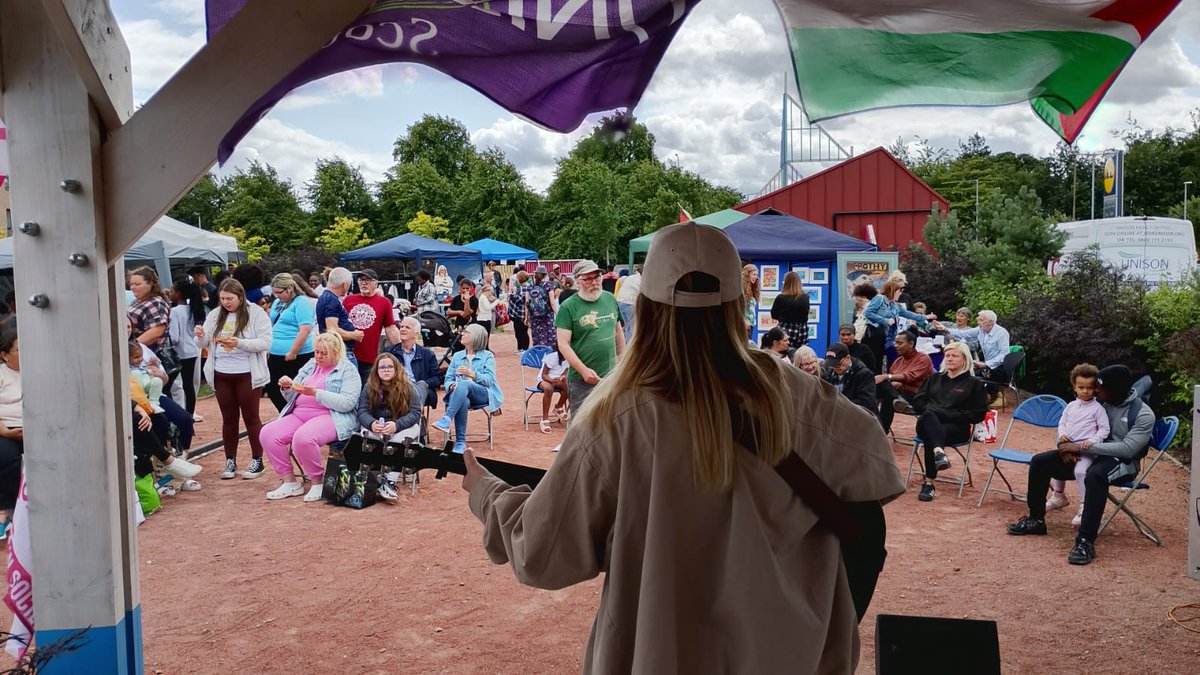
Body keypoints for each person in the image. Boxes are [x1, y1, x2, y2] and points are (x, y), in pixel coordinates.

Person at [460, 221, 905, 673]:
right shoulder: (800, 396)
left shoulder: (614, 417)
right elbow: (876, 475)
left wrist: (487, 492)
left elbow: (541, 553)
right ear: (738, 304)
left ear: (646, 308)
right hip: (789, 656)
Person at [1008, 365, 1151, 565]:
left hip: (1122, 462)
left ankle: (1085, 541)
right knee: (1040, 462)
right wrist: (1063, 447)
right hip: (1087, 452)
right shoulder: (1098, 401)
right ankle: (1036, 520)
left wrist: (1081, 448)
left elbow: (1128, 449)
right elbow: (1069, 424)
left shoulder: (1143, 414)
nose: (1094, 391)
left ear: (1116, 392)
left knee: (1095, 475)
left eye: (1100, 388)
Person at [260, 333, 361, 502]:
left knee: (303, 437)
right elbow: (293, 394)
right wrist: (287, 387)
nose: (319, 356)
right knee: (268, 433)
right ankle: (289, 481)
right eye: (317, 352)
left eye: (324, 353)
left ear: (336, 352)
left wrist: (316, 393)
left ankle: (317, 481)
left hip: (330, 415)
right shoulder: (311, 364)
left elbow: (348, 403)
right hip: (299, 413)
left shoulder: (348, 369)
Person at [195, 278, 273, 480]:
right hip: (222, 373)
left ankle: (257, 459)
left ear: (240, 296)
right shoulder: (215, 314)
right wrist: (200, 335)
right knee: (228, 418)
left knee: (251, 417)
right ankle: (230, 460)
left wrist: (239, 343)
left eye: (229, 298)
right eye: (222, 299)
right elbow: (203, 343)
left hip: (247, 373)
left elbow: (265, 342)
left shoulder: (256, 313)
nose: (226, 302)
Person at [894, 340, 988, 502]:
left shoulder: (974, 384)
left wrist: (946, 414)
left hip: (956, 428)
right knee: (928, 417)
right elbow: (918, 402)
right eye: (948, 355)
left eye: (955, 356)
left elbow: (978, 414)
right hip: (926, 422)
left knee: (931, 433)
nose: (950, 359)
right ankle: (939, 453)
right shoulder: (934, 378)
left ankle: (929, 483)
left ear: (965, 359)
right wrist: (935, 412)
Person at [555, 259, 625, 419]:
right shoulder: (568, 307)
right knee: (582, 426)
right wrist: (583, 371)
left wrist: (622, 362)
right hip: (581, 382)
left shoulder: (610, 299)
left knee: (612, 423)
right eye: (588, 279)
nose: (594, 282)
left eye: (597, 277)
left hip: (610, 377)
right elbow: (563, 344)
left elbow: (618, 331)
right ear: (578, 282)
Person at [1044, 364, 1110, 529]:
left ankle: (1084, 506)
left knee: (1080, 471)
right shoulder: (1071, 406)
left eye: (1089, 388)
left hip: (1086, 449)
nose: (1085, 391)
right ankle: (1058, 495)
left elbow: (1104, 429)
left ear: (1095, 388)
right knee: (1058, 463)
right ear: (1074, 387)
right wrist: (1063, 435)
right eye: (1081, 387)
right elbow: (1062, 423)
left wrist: (1093, 440)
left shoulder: (1098, 409)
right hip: (1068, 445)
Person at [357, 352, 424, 501]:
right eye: (382, 367)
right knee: (366, 437)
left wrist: (397, 425)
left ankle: (389, 481)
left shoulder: (408, 386)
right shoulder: (369, 387)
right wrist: (371, 423)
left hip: (403, 426)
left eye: (389, 367)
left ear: (396, 369)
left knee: (399, 441)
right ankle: (376, 479)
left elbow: (415, 412)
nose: (386, 370)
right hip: (377, 427)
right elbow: (362, 411)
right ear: (376, 370)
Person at [431, 324, 502, 454]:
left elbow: (489, 380)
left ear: (476, 337)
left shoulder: (487, 356)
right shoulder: (457, 356)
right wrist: (451, 386)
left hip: (482, 393)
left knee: (464, 384)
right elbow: (448, 379)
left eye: (466, 332)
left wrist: (472, 374)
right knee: (463, 400)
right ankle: (460, 443)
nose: (462, 334)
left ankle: (447, 418)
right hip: (460, 396)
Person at [265, 272, 317, 412]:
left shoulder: (302, 302)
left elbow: (305, 329)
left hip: (297, 355)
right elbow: (272, 324)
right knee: (272, 386)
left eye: (279, 292)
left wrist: (293, 351)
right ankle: (286, 412)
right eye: (274, 292)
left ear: (289, 289)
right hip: (276, 352)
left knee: (294, 387)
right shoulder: (278, 303)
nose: (276, 296)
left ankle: (295, 412)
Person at [938, 309, 1011, 399]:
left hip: (998, 368)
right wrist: (945, 329)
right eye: (978, 320)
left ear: (990, 322)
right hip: (986, 365)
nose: (978, 323)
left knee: (966, 372)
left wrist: (986, 364)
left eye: (981, 320)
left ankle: (992, 395)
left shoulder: (1002, 334)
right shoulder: (981, 329)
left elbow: (1004, 355)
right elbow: (964, 334)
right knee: (962, 369)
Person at [864, 279, 935, 371]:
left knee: (884, 361)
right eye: (899, 291)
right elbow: (868, 313)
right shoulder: (879, 298)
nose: (900, 294)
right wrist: (885, 320)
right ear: (892, 291)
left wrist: (926, 317)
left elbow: (909, 314)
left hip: (887, 337)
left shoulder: (895, 305)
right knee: (875, 362)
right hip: (874, 336)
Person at [344, 268, 401, 382]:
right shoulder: (348, 300)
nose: (364, 283)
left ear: (376, 283)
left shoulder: (384, 303)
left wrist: (400, 349)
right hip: (348, 355)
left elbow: (390, 328)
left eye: (367, 280)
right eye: (361, 280)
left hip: (368, 356)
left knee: (368, 388)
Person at [874, 331, 934, 435]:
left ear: (911, 344)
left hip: (917, 397)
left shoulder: (923, 358)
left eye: (900, 343)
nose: (896, 346)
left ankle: (881, 434)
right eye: (895, 343)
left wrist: (888, 377)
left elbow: (911, 376)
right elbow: (893, 380)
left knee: (887, 397)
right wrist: (892, 381)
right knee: (877, 387)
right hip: (899, 395)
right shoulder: (898, 361)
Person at [387, 316, 444, 410]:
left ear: (416, 333)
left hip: (419, 389)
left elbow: (437, 378)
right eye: (402, 327)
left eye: (407, 327)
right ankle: (415, 414)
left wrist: (425, 384)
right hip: (397, 387)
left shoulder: (427, 354)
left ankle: (415, 413)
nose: (403, 329)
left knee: (420, 386)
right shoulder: (390, 352)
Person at [168, 278, 206, 417]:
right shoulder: (194, 309)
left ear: (178, 293)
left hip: (179, 352)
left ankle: (177, 414)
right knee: (189, 385)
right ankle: (190, 415)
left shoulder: (175, 311)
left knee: (171, 385)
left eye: (172, 291)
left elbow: (174, 337)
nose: (171, 293)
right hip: (192, 350)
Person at [316, 267, 364, 366]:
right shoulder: (331, 300)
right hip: (342, 352)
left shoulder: (327, 297)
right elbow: (332, 330)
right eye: (349, 284)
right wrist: (354, 335)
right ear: (345, 285)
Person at [0, 326, 22, 537]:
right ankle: (7, 509)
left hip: (38, 428)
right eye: (19, 350)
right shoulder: (1, 374)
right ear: (5, 355)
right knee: (6, 457)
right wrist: (5, 432)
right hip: (6, 429)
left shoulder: (39, 371)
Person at [821, 342, 876, 413]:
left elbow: (866, 402)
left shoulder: (864, 374)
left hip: (856, 416)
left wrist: (838, 406)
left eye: (839, 364)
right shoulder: (827, 374)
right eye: (832, 365)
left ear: (848, 358)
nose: (835, 367)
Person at [128, 266, 172, 351]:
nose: (132, 287)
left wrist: (132, 347)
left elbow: (157, 331)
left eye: (137, 284)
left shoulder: (156, 303)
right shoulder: (136, 301)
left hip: (148, 353)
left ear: (151, 284)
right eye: (131, 284)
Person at [771, 271, 810, 347]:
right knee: (801, 352)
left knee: (784, 350)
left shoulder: (780, 298)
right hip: (802, 330)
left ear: (786, 283)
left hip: (785, 328)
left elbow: (774, 314)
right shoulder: (805, 298)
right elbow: (806, 313)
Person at [536, 343, 569, 433]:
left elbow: (565, 373)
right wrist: (551, 380)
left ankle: (558, 407)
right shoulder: (552, 357)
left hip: (557, 380)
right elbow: (544, 375)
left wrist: (563, 377)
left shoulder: (570, 358)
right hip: (545, 379)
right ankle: (545, 419)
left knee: (570, 387)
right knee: (549, 389)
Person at [851, 284, 881, 373]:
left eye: (858, 298)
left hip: (872, 341)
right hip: (861, 341)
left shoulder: (875, 310)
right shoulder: (857, 310)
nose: (856, 300)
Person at [527, 265, 556, 347]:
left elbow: (527, 302)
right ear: (545, 275)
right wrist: (557, 313)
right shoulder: (548, 285)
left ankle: (538, 352)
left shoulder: (530, 286)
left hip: (534, 315)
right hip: (547, 315)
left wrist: (526, 317)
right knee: (549, 336)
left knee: (536, 336)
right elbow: (552, 303)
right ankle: (549, 352)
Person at [614, 264, 641, 343]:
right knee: (633, 328)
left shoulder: (631, 277)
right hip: (630, 302)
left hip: (620, 301)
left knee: (627, 326)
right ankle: (630, 346)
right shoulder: (642, 279)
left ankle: (625, 344)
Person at [508, 270, 530, 353]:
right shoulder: (521, 287)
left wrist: (511, 296)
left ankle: (525, 349)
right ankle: (520, 348)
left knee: (523, 332)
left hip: (522, 313)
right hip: (517, 313)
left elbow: (521, 299)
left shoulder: (526, 287)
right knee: (518, 331)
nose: (516, 280)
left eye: (517, 278)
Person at [741, 264, 759, 335]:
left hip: (750, 324)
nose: (756, 277)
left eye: (757, 275)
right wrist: (743, 321)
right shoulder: (741, 289)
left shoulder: (751, 289)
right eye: (754, 274)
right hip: (743, 324)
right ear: (747, 275)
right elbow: (738, 307)